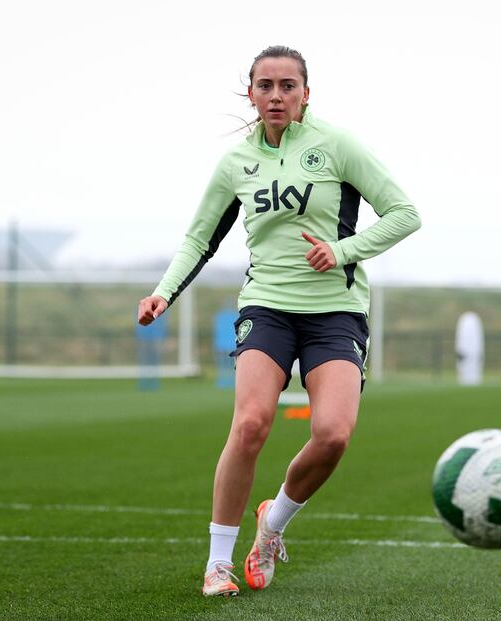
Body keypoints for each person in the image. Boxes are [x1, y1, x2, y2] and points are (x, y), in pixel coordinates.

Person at [136, 45, 421, 597]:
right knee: (250, 425)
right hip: (266, 307)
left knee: (333, 435)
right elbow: (200, 237)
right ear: (251, 94)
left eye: (288, 86)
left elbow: (405, 214)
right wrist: (162, 293)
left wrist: (342, 251)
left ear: (306, 94)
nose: (276, 95)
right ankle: (218, 564)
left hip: (336, 312)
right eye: (265, 86)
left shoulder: (337, 145)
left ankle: (273, 524)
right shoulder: (235, 163)